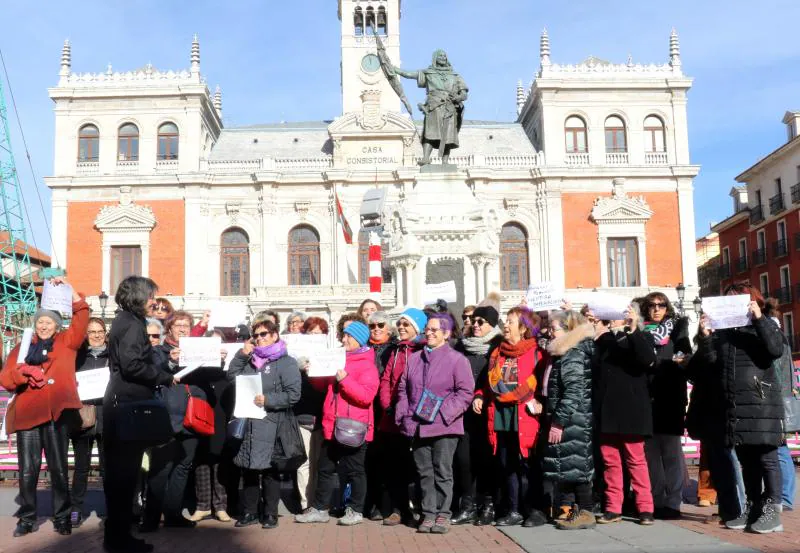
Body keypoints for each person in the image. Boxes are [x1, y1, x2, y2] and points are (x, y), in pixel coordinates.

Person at [0, 277, 88, 538]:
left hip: (55, 414)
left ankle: (62, 517)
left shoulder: (67, 343)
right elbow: (6, 379)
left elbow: (82, 317)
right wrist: (24, 373)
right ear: (35, 325)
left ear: (57, 324)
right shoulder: (22, 347)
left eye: (49, 321)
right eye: (40, 321)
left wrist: (71, 291)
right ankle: (27, 518)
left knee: (59, 468)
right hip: (28, 414)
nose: (44, 325)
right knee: (28, 470)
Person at [693, 283, 784, 533]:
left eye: (738, 298)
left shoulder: (764, 324)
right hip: (732, 404)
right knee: (746, 459)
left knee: (767, 457)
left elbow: (776, 349)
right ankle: (753, 506)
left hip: (761, 401)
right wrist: (706, 337)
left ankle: (773, 509)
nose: (732, 302)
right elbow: (711, 364)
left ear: (753, 300)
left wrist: (758, 319)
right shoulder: (723, 333)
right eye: (728, 299)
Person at [103, 276, 176, 553]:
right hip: (127, 406)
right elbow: (133, 365)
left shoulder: (125, 321)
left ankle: (118, 536)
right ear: (137, 297)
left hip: (120, 403)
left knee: (121, 476)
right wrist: (163, 376)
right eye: (150, 296)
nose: (154, 301)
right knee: (123, 476)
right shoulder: (132, 324)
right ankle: (119, 539)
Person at [394, 313, 474, 534]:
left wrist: (443, 413)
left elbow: (465, 393)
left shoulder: (458, 360)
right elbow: (403, 389)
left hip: (445, 427)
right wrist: (404, 415)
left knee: (442, 471)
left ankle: (443, 514)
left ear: (446, 334)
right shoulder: (415, 359)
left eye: (434, 330)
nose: (428, 333)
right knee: (424, 472)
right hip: (417, 425)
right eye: (427, 329)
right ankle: (428, 513)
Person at [295, 321, 379, 526]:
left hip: (354, 426)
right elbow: (323, 385)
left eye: (348, 337)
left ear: (358, 339)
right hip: (332, 424)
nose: (343, 340)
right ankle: (320, 509)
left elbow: (366, 397)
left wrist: (346, 380)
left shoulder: (367, 364)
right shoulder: (339, 357)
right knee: (325, 468)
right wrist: (311, 372)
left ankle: (356, 510)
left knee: (355, 470)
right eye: (343, 336)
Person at [473, 306, 547, 528]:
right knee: (507, 464)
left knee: (528, 465)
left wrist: (542, 404)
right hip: (501, 415)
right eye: (506, 320)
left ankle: (534, 510)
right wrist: (479, 396)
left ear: (523, 328)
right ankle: (513, 510)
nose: (505, 325)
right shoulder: (497, 353)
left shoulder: (537, 353)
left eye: (511, 321)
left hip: (525, 416)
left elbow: (543, 385)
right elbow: (488, 384)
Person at [228, 319, 301, 529]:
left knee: (271, 470)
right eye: (256, 335)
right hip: (249, 422)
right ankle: (250, 511)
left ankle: (270, 513)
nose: (260, 338)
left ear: (275, 335)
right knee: (249, 469)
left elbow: (293, 395)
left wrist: (268, 400)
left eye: (264, 334)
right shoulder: (250, 360)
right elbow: (232, 377)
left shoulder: (286, 362)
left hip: (273, 423)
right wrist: (242, 354)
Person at [593, 305, 657, 526]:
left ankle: (646, 508)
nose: (615, 321)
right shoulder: (602, 342)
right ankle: (613, 507)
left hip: (632, 409)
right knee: (611, 461)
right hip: (607, 410)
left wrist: (631, 329)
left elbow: (647, 360)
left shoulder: (640, 337)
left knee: (635, 460)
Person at [140, 310, 200, 532]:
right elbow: (154, 371)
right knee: (160, 469)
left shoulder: (198, 350)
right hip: (166, 417)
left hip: (192, 417)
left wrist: (218, 358)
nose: (183, 328)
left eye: (187, 325)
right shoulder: (158, 350)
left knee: (183, 466)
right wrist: (171, 362)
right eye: (178, 325)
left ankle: (174, 514)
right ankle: (151, 517)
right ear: (169, 328)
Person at [541, 311, 596, 530]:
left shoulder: (572, 354)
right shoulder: (563, 353)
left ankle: (586, 511)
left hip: (574, 419)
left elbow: (574, 391)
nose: (550, 332)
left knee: (577, 466)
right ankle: (575, 509)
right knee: (568, 465)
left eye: (554, 328)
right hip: (570, 418)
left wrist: (558, 421)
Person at [641, 292, 691, 520]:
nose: (656, 309)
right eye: (651, 305)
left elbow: (685, 358)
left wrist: (667, 363)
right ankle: (657, 499)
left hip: (671, 399)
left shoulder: (677, 330)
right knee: (650, 455)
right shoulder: (641, 332)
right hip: (647, 399)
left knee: (671, 453)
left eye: (661, 305)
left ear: (667, 308)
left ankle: (673, 502)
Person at [452, 301, 503, 526]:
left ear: (491, 325)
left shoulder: (498, 346)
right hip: (464, 413)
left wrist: (483, 395)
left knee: (487, 460)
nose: (474, 325)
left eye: (480, 322)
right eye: (473, 321)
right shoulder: (462, 346)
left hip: (488, 412)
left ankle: (488, 504)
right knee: (464, 460)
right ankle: (468, 506)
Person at [377, 308, 428, 526]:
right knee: (395, 466)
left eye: (406, 324)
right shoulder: (396, 351)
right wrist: (387, 404)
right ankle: (398, 509)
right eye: (399, 323)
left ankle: (421, 509)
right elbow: (387, 379)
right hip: (394, 417)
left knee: (418, 467)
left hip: (416, 416)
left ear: (416, 327)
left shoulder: (423, 349)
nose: (401, 327)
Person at [185, 328, 233, 524]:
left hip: (221, 418)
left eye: (218, 344)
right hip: (200, 416)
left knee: (219, 460)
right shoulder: (196, 372)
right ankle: (202, 506)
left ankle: (221, 506)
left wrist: (224, 361)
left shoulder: (228, 371)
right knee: (201, 460)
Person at [390, 49, 469, 166]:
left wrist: (458, 97)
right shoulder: (428, 73)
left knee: (448, 135)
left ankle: (445, 161)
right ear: (435, 58)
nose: (443, 57)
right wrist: (396, 70)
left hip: (449, 108)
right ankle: (426, 158)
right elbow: (410, 74)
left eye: (444, 56)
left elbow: (464, 94)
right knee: (430, 133)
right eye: (440, 56)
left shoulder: (455, 76)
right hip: (434, 107)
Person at [70, 316, 109, 528]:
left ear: (105, 334)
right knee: (81, 467)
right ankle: (76, 509)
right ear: (86, 335)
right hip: (83, 417)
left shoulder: (113, 356)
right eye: (92, 332)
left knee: (107, 468)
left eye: (99, 332)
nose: (96, 335)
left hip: (106, 417)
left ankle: (110, 511)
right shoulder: (78, 357)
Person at [363, 310, 397, 520]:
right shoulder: (364, 348)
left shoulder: (394, 349)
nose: (376, 329)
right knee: (369, 460)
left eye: (380, 325)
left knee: (388, 460)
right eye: (372, 326)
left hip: (386, 408)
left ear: (389, 328)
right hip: (366, 409)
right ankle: (370, 503)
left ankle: (388, 504)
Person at [295, 317, 329, 509]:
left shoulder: (329, 358)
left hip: (324, 417)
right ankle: (305, 502)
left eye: (319, 334)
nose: (315, 337)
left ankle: (318, 500)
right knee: (304, 462)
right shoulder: (296, 360)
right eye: (311, 334)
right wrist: (302, 369)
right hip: (302, 416)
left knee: (320, 462)